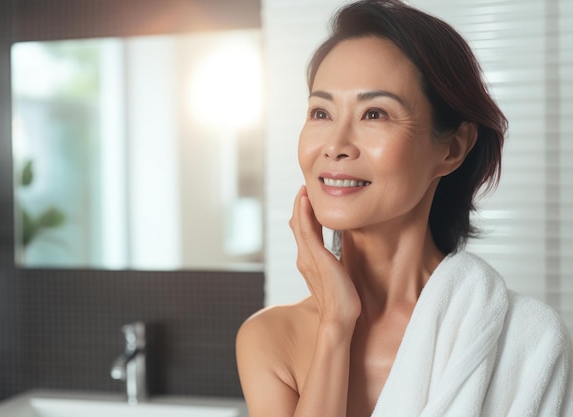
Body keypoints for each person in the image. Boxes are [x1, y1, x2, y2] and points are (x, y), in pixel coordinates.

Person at [235, 1, 573, 416]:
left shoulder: (526, 339)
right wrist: (335, 326)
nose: (336, 145)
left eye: (374, 113)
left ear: (452, 148)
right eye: (321, 112)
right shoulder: (271, 339)